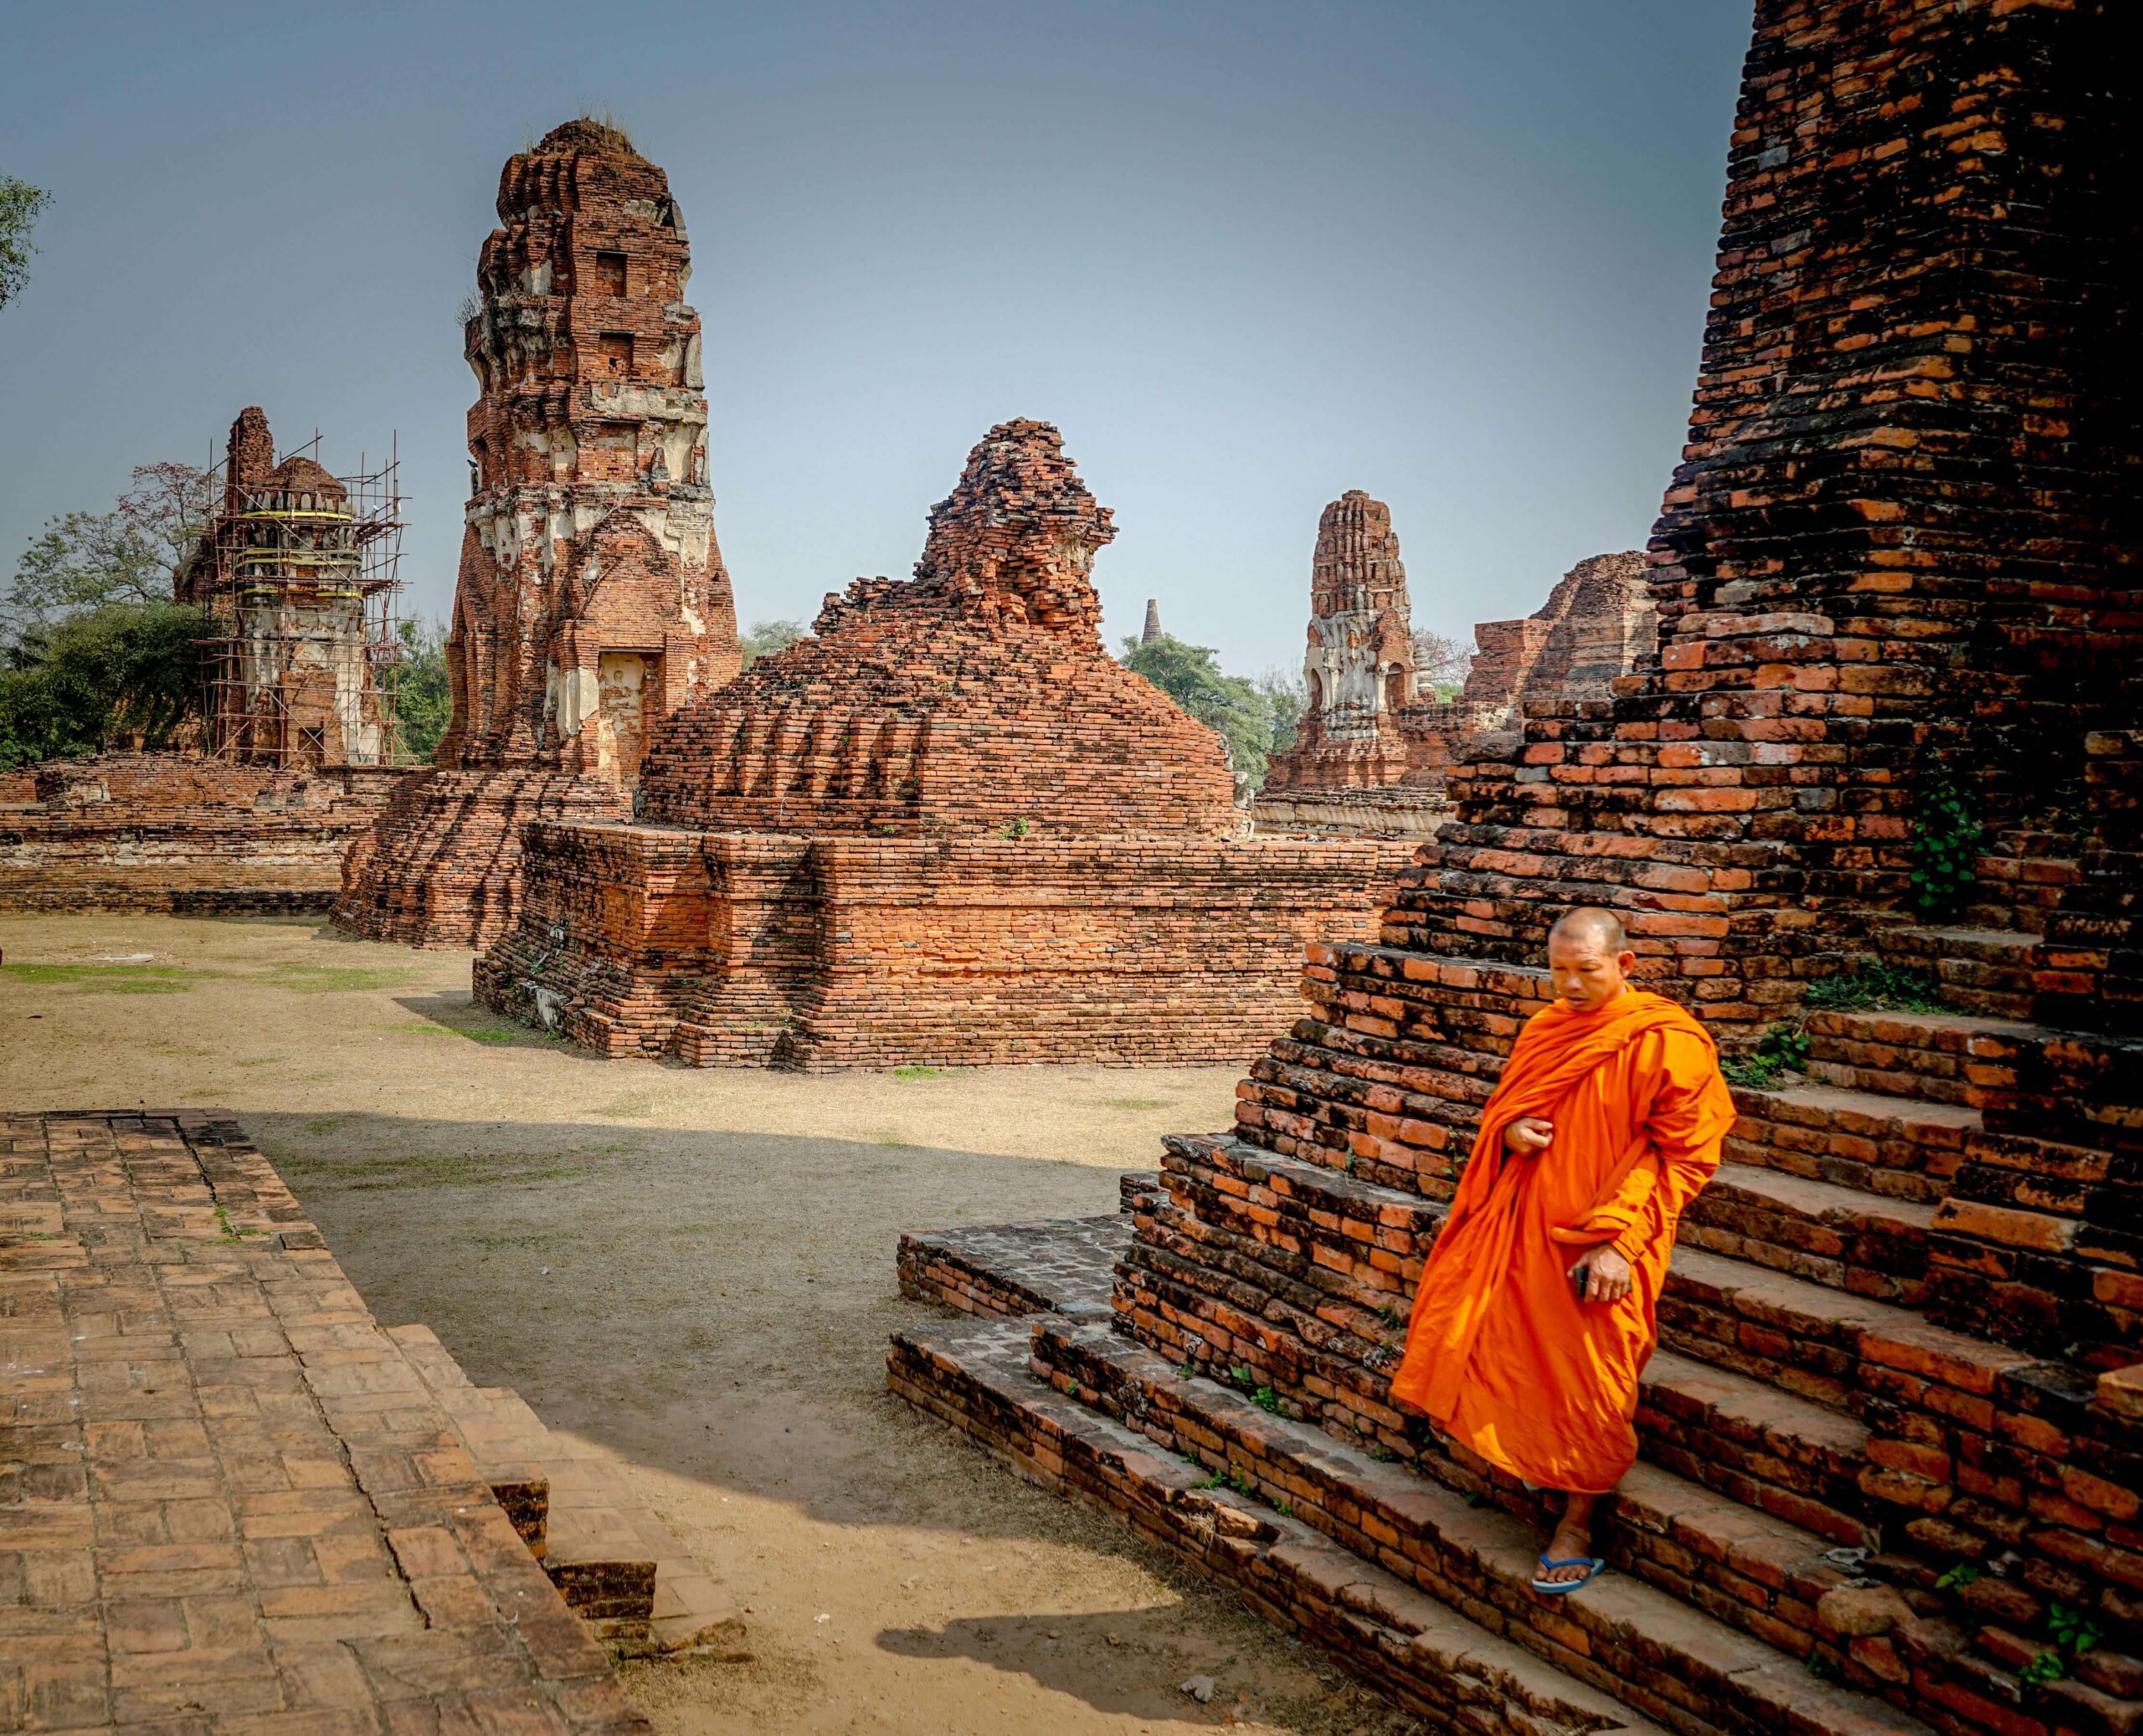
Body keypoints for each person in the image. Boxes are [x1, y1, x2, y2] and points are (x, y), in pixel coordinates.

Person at [1387, 906, 1735, 1594]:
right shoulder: (1545, 1028)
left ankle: (1577, 1520)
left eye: (1587, 971)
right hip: (1526, 1223)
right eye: (1559, 971)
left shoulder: (1669, 1042)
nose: (1571, 986)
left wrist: (1619, 1243)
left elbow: (1685, 1159)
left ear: (1624, 965)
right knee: (1503, 1344)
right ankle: (1531, 1464)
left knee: (1591, 1375)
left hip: (1602, 1240)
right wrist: (1510, 1131)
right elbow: (1506, 1111)